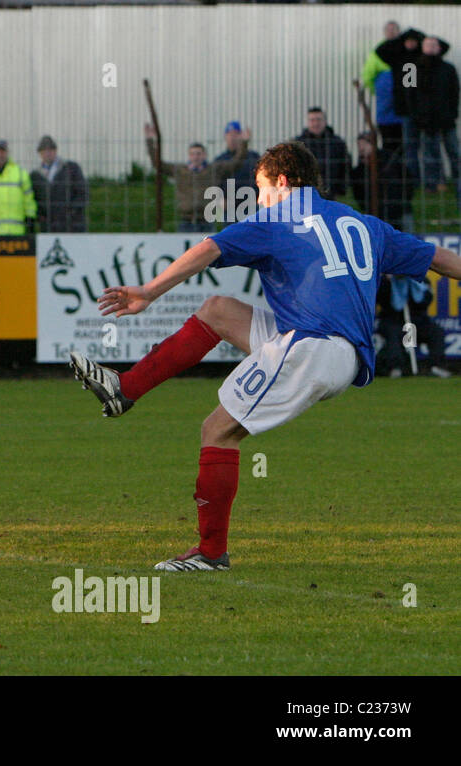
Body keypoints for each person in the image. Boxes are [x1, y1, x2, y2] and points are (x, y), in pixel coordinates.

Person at [66, 141, 461, 571]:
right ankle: (126, 388)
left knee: (216, 430)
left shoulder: (277, 218)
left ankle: (211, 553)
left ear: (283, 181)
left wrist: (148, 291)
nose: (258, 199)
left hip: (312, 348)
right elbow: (439, 259)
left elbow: (209, 249)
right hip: (337, 352)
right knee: (218, 310)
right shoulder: (362, 222)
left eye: (260, 187)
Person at [145, 123, 251, 232]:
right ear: (189, 156)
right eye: (193, 154)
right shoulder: (180, 171)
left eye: (199, 154)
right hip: (186, 221)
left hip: (207, 221)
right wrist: (150, 142)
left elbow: (236, 163)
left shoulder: (214, 170)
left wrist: (244, 143)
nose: (196, 157)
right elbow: (157, 164)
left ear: (204, 155)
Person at [378, 27, 429, 182]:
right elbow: (380, 50)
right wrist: (398, 39)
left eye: (414, 41)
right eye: (408, 41)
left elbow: (443, 47)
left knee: (428, 146)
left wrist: (422, 38)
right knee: (410, 146)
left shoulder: (424, 58)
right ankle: (414, 178)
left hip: (425, 111)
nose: (411, 44)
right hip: (406, 111)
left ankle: (431, 180)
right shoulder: (398, 57)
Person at [411, 37, 460, 195]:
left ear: (439, 48)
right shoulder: (411, 68)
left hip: (446, 120)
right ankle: (431, 185)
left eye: (434, 45)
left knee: (454, 152)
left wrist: (451, 114)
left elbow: (455, 93)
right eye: (427, 45)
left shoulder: (448, 68)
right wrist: (417, 116)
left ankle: (456, 181)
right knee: (429, 155)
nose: (431, 48)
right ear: (422, 47)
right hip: (425, 121)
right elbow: (408, 94)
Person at [376, 276, 452, 378]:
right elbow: (379, 299)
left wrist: (414, 287)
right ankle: (394, 367)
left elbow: (427, 300)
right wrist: (389, 283)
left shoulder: (421, 281)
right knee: (392, 333)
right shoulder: (385, 282)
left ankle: (437, 365)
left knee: (436, 331)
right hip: (394, 321)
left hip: (416, 321)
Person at [350, 131, 414, 230]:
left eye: (364, 144)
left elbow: (408, 180)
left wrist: (404, 200)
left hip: (400, 211)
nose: (361, 148)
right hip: (377, 214)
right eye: (359, 145)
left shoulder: (390, 160)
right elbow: (358, 193)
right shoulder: (359, 170)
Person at [363, 21, 405, 158]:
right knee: (388, 143)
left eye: (394, 29)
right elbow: (368, 75)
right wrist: (379, 92)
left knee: (407, 145)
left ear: (399, 31)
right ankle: (391, 175)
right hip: (386, 109)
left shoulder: (407, 50)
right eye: (388, 30)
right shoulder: (378, 51)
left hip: (404, 108)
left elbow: (412, 76)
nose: (391, 32)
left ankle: (406, 176)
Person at [30, 135, 88, 233]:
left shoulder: (71, 168)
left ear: (55, 151)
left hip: (73, 226)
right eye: (44, 150)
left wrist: (72, 212)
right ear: (40, 153)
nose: (47, 153)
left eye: (50, 150)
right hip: (48, 226)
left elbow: (83, 193)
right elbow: (33, 199)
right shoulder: (35, 175)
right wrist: (40, 216)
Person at [295, 107, 351, 199]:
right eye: (312, 120)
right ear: (308, 122)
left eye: (319, 120)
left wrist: (341, 189)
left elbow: (345, 167)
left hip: (331, 192)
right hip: (306, 193)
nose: (316, 123)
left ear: (325, 121)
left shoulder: (337, 143)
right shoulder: (299, 144)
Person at [213, 122, 261, 197]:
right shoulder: (220, 160)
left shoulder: (253, 157)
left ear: (241, 136)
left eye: (236, 134)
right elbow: (216, 182)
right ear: (225, 136)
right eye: (230, 134)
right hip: (228, 204)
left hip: (250, 202)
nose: (233, 138)